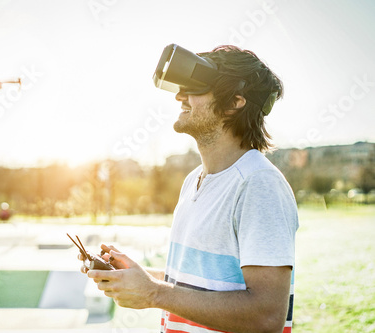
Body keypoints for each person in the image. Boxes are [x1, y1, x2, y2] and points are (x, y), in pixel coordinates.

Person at [81, 45, 299, 333]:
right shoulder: (194, 180)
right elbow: (197, 284)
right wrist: (139, 278)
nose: (180, 96)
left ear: (234, 102)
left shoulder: (258, 184)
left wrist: (153, 294)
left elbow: (266, 317)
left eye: (196, 88)